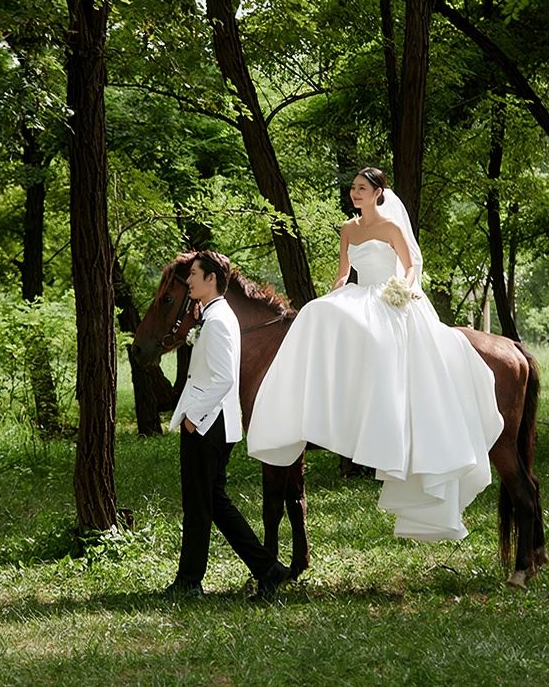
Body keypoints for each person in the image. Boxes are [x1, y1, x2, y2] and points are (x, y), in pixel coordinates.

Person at [247, 168, 504, 541]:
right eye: (353, 188)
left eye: (362, 188)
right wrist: (331, 294)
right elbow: (343, 272)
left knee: (377, 336)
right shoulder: (349, 229)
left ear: (378, 193)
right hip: (359, 292)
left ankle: (383, 413)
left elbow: (411, 264)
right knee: (315, 313)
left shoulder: (391, 229)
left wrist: (406, 287)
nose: (355, 193)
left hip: (388, 294)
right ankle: (314, 402)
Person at [164, 251, 292, 600]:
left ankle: (192, 581)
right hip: (212, 422)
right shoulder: (213, 315)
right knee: (211, 502)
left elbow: (222, 378)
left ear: (211, 279)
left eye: (193, 274)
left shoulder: (218, 320)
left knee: (202, 503)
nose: (188, 280)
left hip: (208, 423)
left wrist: (193, 417)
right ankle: (266, 570)